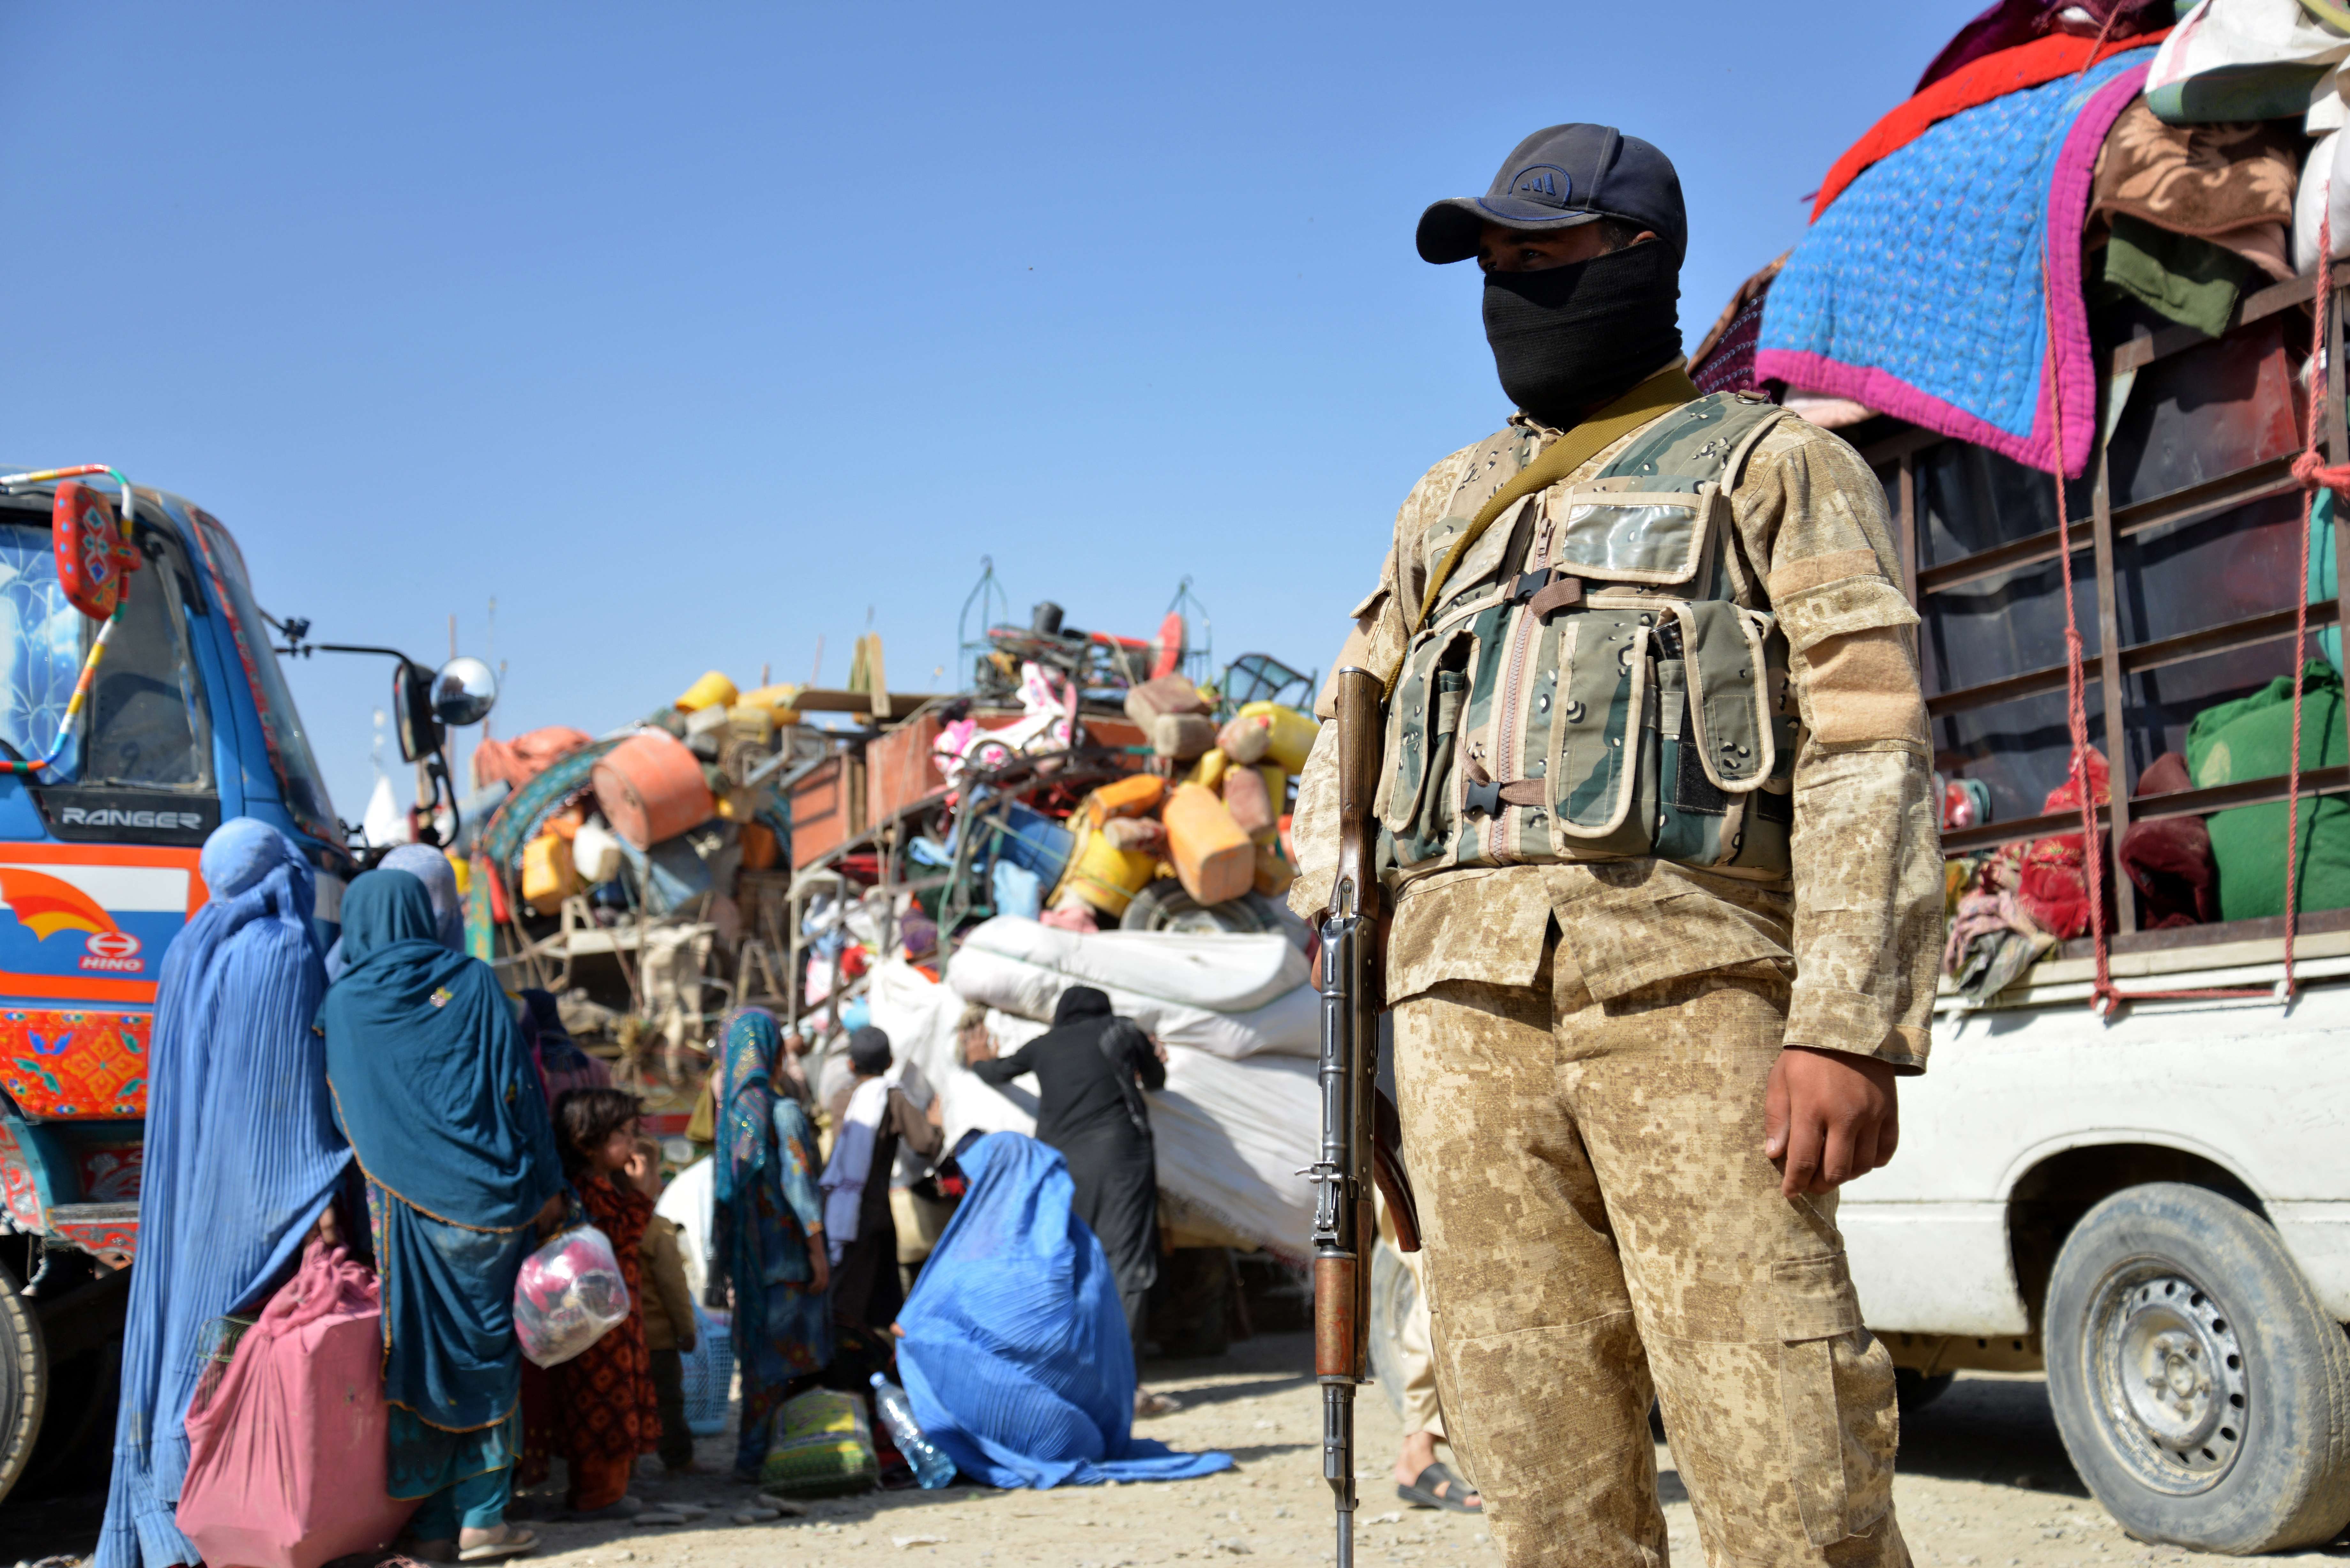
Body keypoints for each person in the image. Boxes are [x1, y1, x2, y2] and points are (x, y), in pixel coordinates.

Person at [1288, 124, 1938, 1567]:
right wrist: (1358, 1050)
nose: (1510, 285)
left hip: (1694, 999)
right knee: (1538, 1469)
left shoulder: (1774, 466)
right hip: (1457, 1023)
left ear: (1639, 258)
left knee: (1787, 1454)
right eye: (1491, 261)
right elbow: (1348, 756)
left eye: (1543, 253)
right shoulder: (1444, 504)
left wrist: (1847, 1021)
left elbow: (1868, 737)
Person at [98, 820, 352, 1568]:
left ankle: (161, 1514)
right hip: (254, 1181)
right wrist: (319, 1191)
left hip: (190, 1175)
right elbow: (284, 1088)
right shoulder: (280, 948)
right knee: (228, 1349)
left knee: (181, 1326)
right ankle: (207, 1517)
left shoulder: (188, 947)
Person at [322, 866, 565, 1563]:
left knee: (418, 1359)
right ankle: (482, 1516)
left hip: (402, 1211)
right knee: (489, 1355)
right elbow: (520, 1090)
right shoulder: (474, 981)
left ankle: (429, 1523)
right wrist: (551, 1186)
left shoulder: (344, 1004)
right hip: (491, 1204)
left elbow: (339, 1108)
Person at [961, 990, 1172, 1417]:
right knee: (1125, 1264)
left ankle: (1070, 1383)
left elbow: (997, 1072)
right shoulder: (1121, 1031)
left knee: (1069, 1264)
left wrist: (978, 1059)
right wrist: (1150, 1056)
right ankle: (1125, 1388)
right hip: (1121, 1160)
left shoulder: (1043, 1045)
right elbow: (1156, 1081)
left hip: (1061, 1167)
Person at [708, 1008, 832, 1481]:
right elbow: (801, 1187)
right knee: (786, 1362)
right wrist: (818, 1252)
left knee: (758, 1362)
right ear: (774, 1052)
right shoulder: (783, 1112)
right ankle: (774, 1456)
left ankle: (753, 1455)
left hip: (748, 1263)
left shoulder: (732, 1118)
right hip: (786, 1261)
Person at [549, 1086, 660, 1520]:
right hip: (597, 1325)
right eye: (622, 1133)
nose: (632, 1142)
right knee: (602, 1403)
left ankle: (610, 1490)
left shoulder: (602, 1187)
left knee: (615, 1398)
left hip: (613, 1320)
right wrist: (642, 1192)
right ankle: (597, 1495)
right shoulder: (585, 1192)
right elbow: (624, 1236)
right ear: (587, 1141)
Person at [817, 1025, 940, 1364]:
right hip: (871, 1215)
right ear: (889, 1062)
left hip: (838, 1208)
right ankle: (845, 1366)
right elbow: (926, 1144)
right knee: (853, 1301)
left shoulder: (841, 1098)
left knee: (868, 1294)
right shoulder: (891, 1098)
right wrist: (935, 1123)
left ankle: (870, 1362)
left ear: (851, 1065)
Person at [626, 1137, 701, 1476]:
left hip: (623, 1339)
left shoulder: (606, 1223)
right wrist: (686, 1329)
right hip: (658, 1340)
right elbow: (674, 1287)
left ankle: (627, 1464)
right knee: (669, 1401)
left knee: (627, 1401)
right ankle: (679, 1459)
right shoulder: (658, 1229)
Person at [323, 841, 464, 981]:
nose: (438, 912)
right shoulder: (468, 979)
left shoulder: (347, 980)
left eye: (443, 895)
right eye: (413, 901)